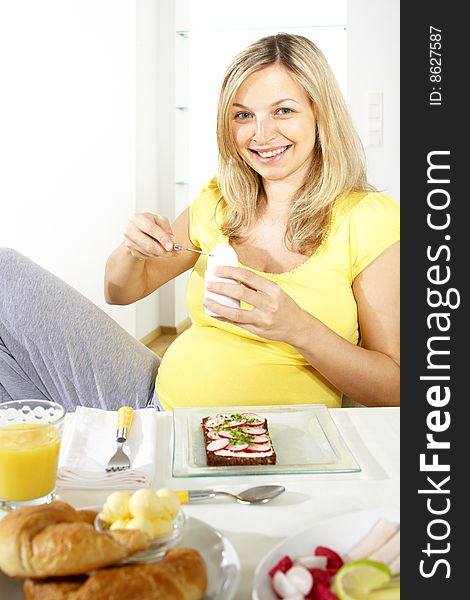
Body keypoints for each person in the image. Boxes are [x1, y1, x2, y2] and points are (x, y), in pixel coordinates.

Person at [0, 33, 399, 412]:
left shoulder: (368, 220)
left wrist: (296, 328)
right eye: (243, 115)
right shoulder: (220, 201)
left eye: (283, 111)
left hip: (267, 439)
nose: (261, 134)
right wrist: (132, 250)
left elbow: (397, 388)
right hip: (155, 408)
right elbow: (120, 291)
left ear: (320, 115)